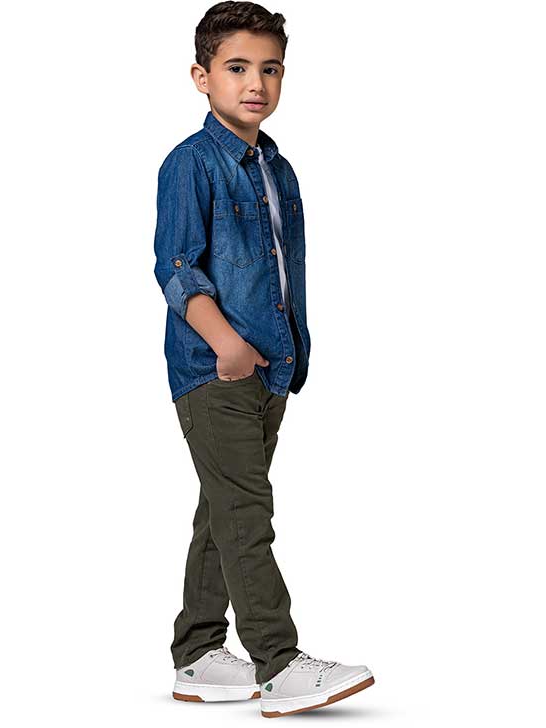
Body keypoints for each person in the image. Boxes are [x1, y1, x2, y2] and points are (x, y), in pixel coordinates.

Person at [152, 1, 374, 717]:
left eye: (270, 68)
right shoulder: (191, 163)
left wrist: (278, 357)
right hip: (213, 368)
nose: (256, 83)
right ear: (201, 76)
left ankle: (198, 654)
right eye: (237, 67)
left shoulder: (277, 168)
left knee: (222, 509)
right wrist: (227, 345)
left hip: (269, 368)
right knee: (247, 512)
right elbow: (177, 267)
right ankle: (279, 662)